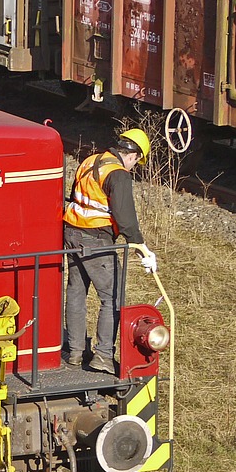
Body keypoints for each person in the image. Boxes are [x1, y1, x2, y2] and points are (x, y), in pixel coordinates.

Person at [62, 128, 157, 372]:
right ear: (132, 155)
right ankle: (103, 356)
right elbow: (125, 218)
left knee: (76, 293)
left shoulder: (90, 161)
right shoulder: (119, 174)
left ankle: (74, 352)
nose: (134, 166)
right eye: (137, 161)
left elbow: (74, 196)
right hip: (96, 239)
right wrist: (141, 247)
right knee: (112, 297)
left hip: (71, 234)